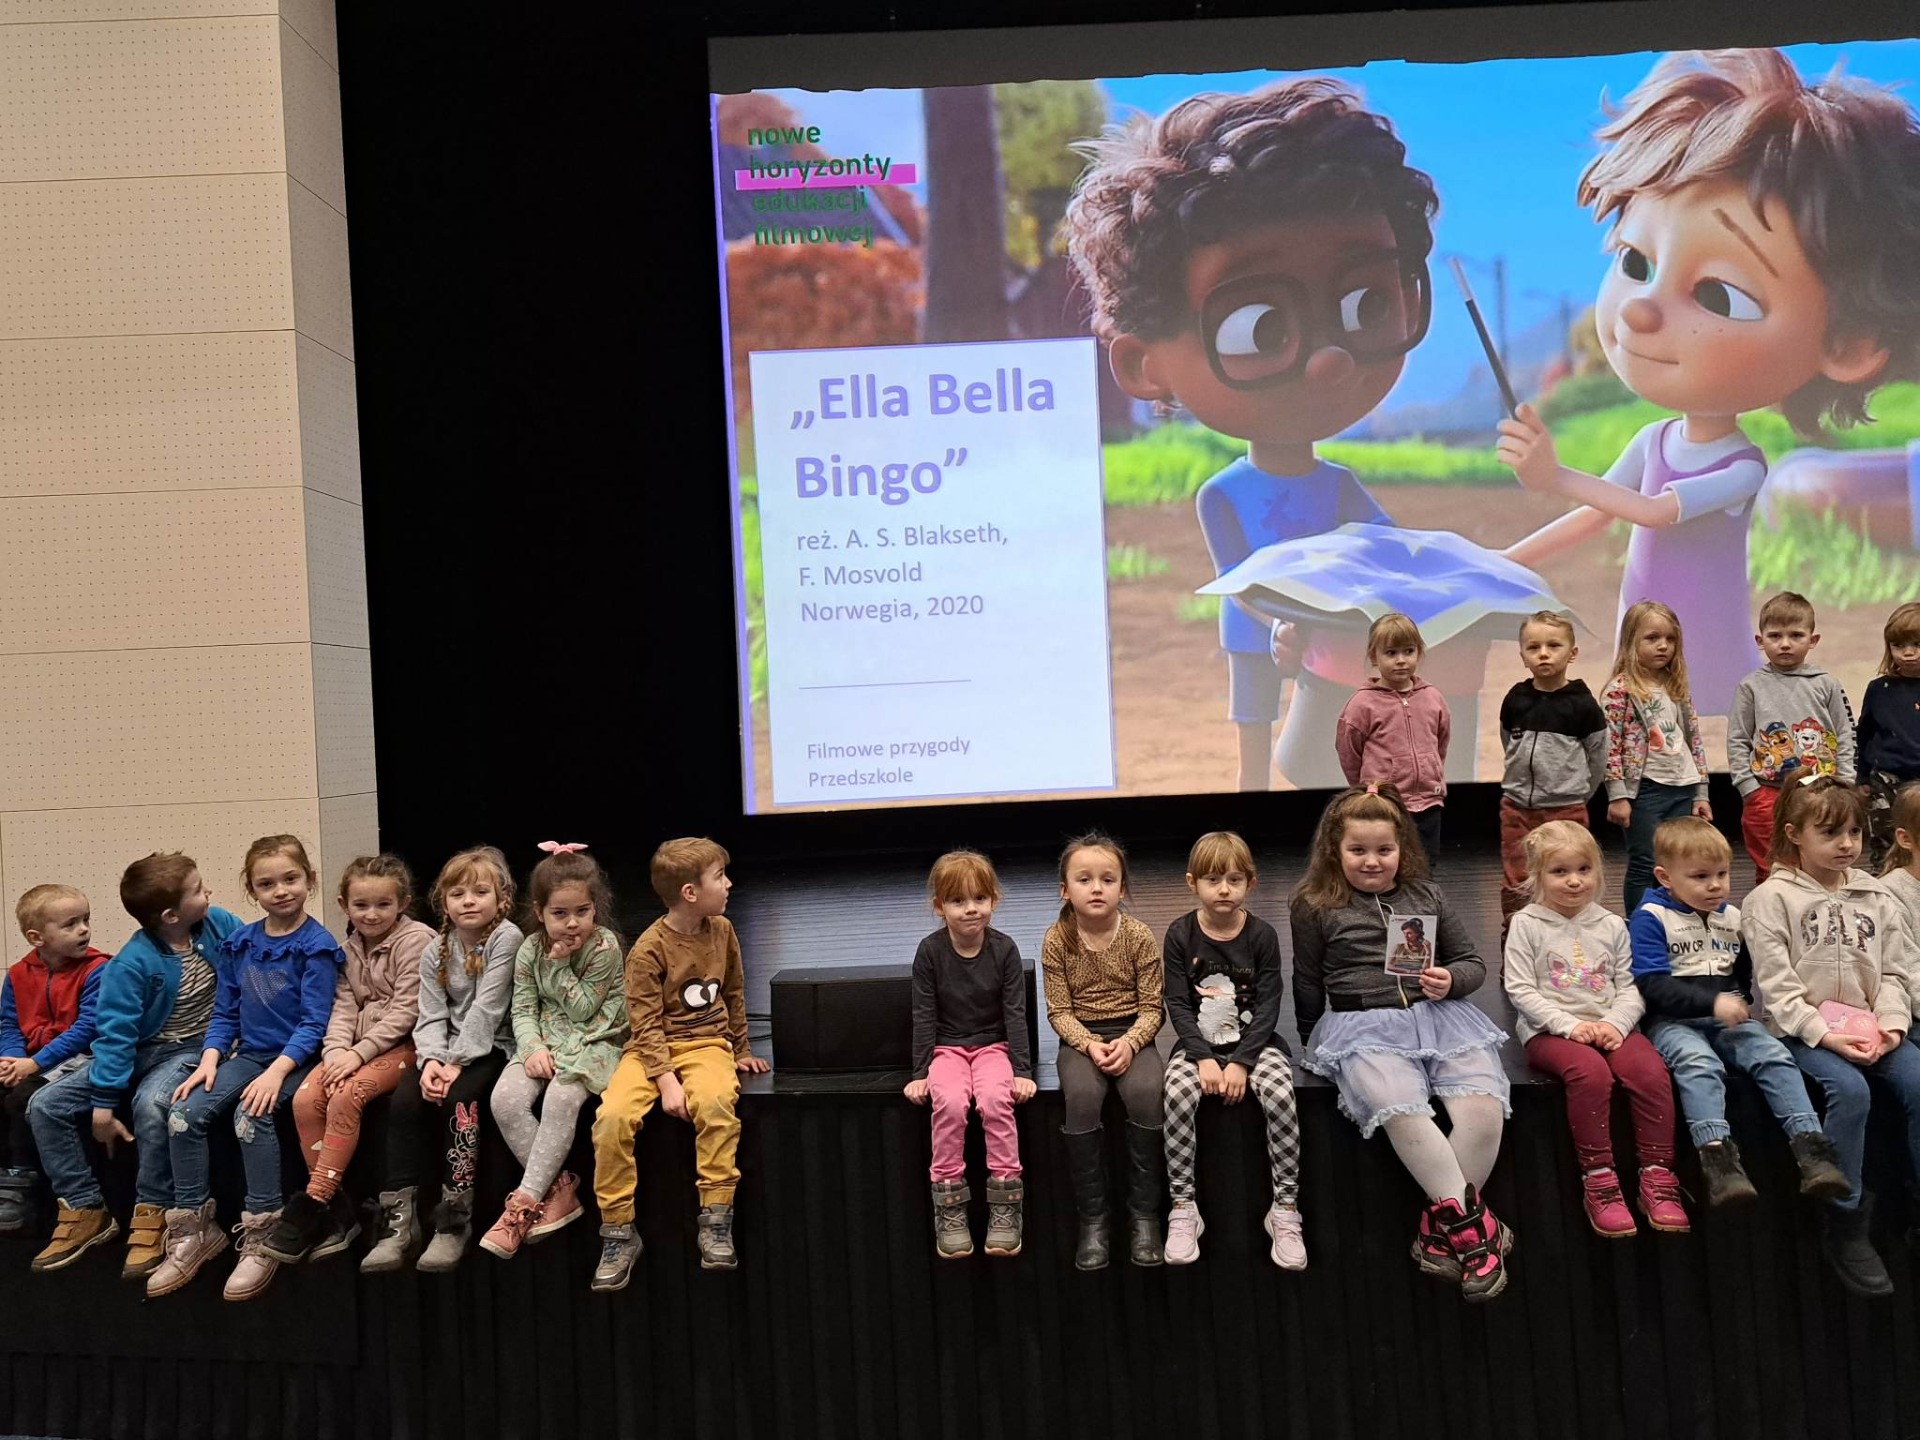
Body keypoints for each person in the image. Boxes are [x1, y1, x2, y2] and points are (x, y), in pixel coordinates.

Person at [1066, 79, 1488, 791]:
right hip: (1260, 627)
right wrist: (1280, 623)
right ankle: (1251, 787)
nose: (1328, 360)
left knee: (1331, 720)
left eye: (1367, 304)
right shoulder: (1224, 492)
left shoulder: (1340, 484)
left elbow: (1388, 547)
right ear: (1144, 365)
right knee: (1255, 707)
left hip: (1334, 634)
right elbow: (1239, 580)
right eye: (1258, 326)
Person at [1500, 47, 1920, 718]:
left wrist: (1553, 475)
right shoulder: (1655, 438)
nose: (1640, 310)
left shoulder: (1743, 466)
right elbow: (1598, 514)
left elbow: (1653, 510)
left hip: (1705, 651)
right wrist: (1504, 560)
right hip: (1642, 631)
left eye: (1720, 295)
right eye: (1635, 262)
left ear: (1847, 345)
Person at [1290, 784, 1514, 1301]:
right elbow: (1306, 979)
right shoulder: (1313, 904)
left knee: (1483, 1110)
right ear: (1334, 851)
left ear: (1402, 849)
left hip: (1440, 1019)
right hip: (1362, 1026)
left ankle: (1440, 1232)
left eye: (1384, 850)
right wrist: (1310, 1041)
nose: (1372, 861)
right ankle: (1478, 1238)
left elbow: (1472, 963)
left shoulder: (1427, 895)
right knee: (1400, 1109)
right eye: (1357, 850)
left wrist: (1450, 980)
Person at [24, 853, 242, 1276]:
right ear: (170, 915)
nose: (209, 892)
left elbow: (253, 963)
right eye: (198, 890)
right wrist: (103, 1105)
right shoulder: (131, 963)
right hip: (143, 1048)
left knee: (152, 1103)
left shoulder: (220, 925)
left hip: (194, 1048)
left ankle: (153, 1209)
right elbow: (116, 1035)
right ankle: (85, 1208)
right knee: (45, 1104)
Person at [149, 835, 344, 1301]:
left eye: (290, 879)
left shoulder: (316, 946)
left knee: (250, 1116)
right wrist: (210, 1059)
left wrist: (277, 1073)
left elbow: (314, 1023)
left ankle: (262, 1230)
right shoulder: (240, 943)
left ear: (310, 880)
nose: (281, 891)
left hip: (298, 1060)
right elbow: (225, 1012)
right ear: (251, 889)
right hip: (251, 1055)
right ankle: (195, 1228)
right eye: (266, 883)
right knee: (182, 1112)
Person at [1745, 776, 1920, 1297]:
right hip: (1803, 1032)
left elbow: (1895, 974)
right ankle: (1844, 1219)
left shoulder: (1876, 896)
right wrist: (1824, 1035)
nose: (1847, 844)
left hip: (1872, 1028)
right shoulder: (1769, 899)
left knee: (1917, 1082)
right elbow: (1777, 988)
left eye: (1855, 833)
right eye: (1830, 833)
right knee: (1850, 1090)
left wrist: (1892, 1026)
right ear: (1794, 834)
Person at [1628, 816, 1847, 1211]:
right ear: (1665, 877)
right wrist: (1712, 1004)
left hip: (1726, 1019)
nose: (1715, 885)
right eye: (1700, 877)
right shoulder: (1651, 918)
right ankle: (1718, 1160)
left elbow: (1742, 972)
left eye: (1722, 874)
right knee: (1699, 1063)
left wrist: (1737, 1001)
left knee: (1774, 1055)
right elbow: (1651, 984)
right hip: (1672, 1022)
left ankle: (1812, 1149)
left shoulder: (1732, 918)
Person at [591, 837, 767, 1287]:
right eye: (720, 877)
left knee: (715, 1104)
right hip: (652, 1051)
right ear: (690, 892)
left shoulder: (722, 931)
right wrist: (666, 1081)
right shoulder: (649, 949)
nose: (729, 885)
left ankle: (716, 1216)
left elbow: (734, 993)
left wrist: (742, 1049)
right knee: (612, 1117)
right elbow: (645, 1024)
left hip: (707, 1044)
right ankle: (618, 1229)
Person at [1502, 823, 1686, 1237]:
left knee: (1650, 1072)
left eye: (1583, 869)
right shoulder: (1526, 924)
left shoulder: (1611, 924)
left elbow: (1632, 986)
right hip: (1550, 1031)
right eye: (1560, 871)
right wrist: (1570, 1026)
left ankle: (1658, 1175)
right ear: (1537, 875)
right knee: (1590, 1074)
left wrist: (1614, 1023)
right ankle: (1599, 1179)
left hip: (1610, 1025)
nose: (1574, 881)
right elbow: (1520, 990)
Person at [266, 854, 433, 1265]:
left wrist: (358, 1054)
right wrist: (337, 1052)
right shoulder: (346, 949)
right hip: (354, 1050)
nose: (371, 914)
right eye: (361, 905)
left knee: (348, 1095)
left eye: (383, 905)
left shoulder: (418, 941)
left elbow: (406, 1012)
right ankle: (339, 1212)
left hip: (405, 1046)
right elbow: (340, 1008)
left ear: (403, 903)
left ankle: (314, 1202)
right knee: (307, 1098)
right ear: (344, 905)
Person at [1159, 831, 1305, 1269]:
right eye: (1213, 879)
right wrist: (1203, 1057)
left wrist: (1242, 1062)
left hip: (1254, 1046)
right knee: (1177, 1095)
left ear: (1250, 883)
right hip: (1198, 1047)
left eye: (1234, 880)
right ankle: (1183, 1207)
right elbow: (1177, 1003)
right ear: (1192, 883)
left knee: (1280, 1095)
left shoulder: (1261, 935)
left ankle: (1285, 1208)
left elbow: (1269, 1004)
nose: (1224, 889)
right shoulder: (1180, 934)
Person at [480, 843, 627, 1261]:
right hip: (546, 1041)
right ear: (540, 911)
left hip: (594, 1041)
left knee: (561, 1098)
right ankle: (559, 1189)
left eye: (582, 911)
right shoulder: (529, 949)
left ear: (595, 908)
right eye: (560, 913)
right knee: (504, 1100)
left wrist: (560, 964)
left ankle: (523, 1205)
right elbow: (523, 1009)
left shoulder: (604, 947)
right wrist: (531, 1048)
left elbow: (583, 1009)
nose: (572, 922)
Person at [381, 846, 522, 1274]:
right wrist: (430, 1062)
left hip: (493, 1045)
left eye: (480, 892)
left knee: (460, 1101)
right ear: (443, 902)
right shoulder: (436, 948)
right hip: (446, 1051)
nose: (468, 902)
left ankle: (454, 1218)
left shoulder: (506, 939)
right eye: (457, 894)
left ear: (502, 899)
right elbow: (430, 1014)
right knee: (404, 1102)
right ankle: (399, 1223)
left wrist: (455, 1064)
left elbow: (488, 1010)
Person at [1042, 832, 1166, 1269]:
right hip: (1082, 1038)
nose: (1097, 888)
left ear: (1122, 888)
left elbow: (1153, 1007)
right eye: (1085, 879)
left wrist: (1130, 1042)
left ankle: (1144, 1216)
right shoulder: (1057, 939)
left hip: (1133, 1033)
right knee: (1081, 1098)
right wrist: (1090, 1045)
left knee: (1147, 1094)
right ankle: (1093, 1220)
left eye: (1107, 879)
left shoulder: (1139, 935)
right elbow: (1059, 1011)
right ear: (1065, 890)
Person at [903, 849, 1034, 1260]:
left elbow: (1015, 1013)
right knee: (949, 1101)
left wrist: (1022, 1070)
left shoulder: (1005, 950)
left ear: (994, 900)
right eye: (958, 901)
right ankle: (949, 1204)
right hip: (947, 1050)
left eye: (980, 898)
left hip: (994, 1048)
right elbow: (924, 1014)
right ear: (939, 907)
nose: (971, 909)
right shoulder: (930, 952)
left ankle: (1006, 1203)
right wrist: (921, 1072)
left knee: (996, 1100)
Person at [0, 885, 110, 1234]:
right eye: (70, 924)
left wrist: (34, 1065)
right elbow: (9, 1023)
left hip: (79, 1058)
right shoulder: (18, 974)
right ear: (37, 937)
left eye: (85, 920)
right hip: (31, 1059)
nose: (84, 929)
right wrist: (11, 1059)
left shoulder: (98, 969)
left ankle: (21, 1180)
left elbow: (87, 1028)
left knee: (23, 1096)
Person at [1727, 591, 1855, 883]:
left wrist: (1845, 782)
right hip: (1766, 791)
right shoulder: (1751, 686)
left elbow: (1845, 733)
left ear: (1813, 639)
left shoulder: (1827, 684)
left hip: (1822, 790)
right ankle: (1772, 911)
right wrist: (1749, 788)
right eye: (1775, 636)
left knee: (1820, 863)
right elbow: (1737, 739)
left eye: (1796, 635)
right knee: (1772, 867)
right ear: (1760, 640)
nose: (1785, 643)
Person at [1497, 611, 1606, 929]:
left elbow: (1598, 758)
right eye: (1533, 647)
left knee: (1568, 876)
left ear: (1572, 653)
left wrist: (1576, 793)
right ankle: (1516, 938)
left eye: (1553, 646)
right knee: (1517, 876)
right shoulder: (1515, 699)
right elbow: (1509, 742)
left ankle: (1570, 937)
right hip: (1517, 808)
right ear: (1522, 656)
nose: (1543, 653)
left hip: (1565, 808)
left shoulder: (1583, 705)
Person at [1602, 600, 1710, 913]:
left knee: (1679, 860)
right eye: (1652, 638)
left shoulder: (1676, 687)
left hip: (1682, 786)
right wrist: (1618, 794)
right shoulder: (1620, 690)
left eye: (1670, 639)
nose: (1663, 646)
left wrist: (1701, 792)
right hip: (1645, 790)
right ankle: (1640, 925)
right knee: (1645, 861)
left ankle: (1675, 922)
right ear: (1631, 641)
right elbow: (1610, 745)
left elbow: (1694, 741)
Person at [1335, 612, 1450, 861]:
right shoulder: (1362, 704)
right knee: (1389, 864)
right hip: (1384, 805)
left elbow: (1440, 741)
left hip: (1429, 801)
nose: (1401, 660)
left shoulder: (1432, 697)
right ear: (1373, 656)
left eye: (1408, 651)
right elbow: (1349, 752)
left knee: (1425, 864)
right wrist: (1366, 788)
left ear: (1419, 652)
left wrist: (1430, 770)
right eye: (1391, 653)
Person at [1858, 603, 1920, 869]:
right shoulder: (1878, 689)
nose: (1908, 653)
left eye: (1917, 644)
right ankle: (1883, 887)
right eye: (1898, 645)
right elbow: (1865, 734)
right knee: (1885, 843)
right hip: (1886, 781)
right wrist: (1861, 777)